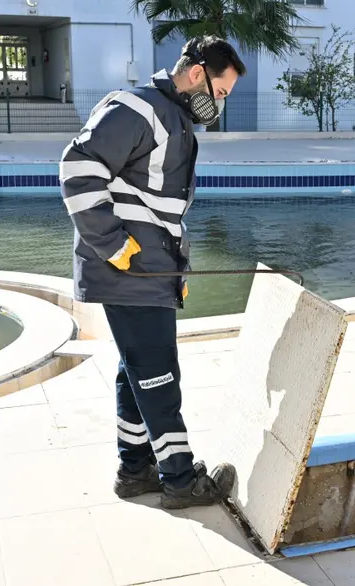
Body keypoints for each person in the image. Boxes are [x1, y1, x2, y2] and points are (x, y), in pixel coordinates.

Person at [59, 36, 246, 509]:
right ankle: (180, 481)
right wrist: (115, 246)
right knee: (159, 375)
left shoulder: (174, 119)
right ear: (199, 74)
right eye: (220, 92)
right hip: (130, 271)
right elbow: (77, 168)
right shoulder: (138, 109)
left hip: (148, 272)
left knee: (136, 371)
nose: (219, 105)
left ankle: (135, 470)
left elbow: (160, 211)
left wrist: (173, 270)